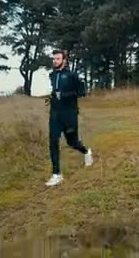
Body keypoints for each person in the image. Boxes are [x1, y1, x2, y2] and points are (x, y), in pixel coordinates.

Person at [45, 49, 93, 187]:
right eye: (54, 59)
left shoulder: (72, 76)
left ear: (64, 60)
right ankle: (56, 174)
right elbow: (55, 90)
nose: (55, 61)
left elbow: (82, 92)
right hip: (55, 115)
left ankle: (86, 151)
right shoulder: (52, 75)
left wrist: (64, 95)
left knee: (72, 142)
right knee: (53, 141)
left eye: (58, 59)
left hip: (69, 115)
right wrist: (52, 97)